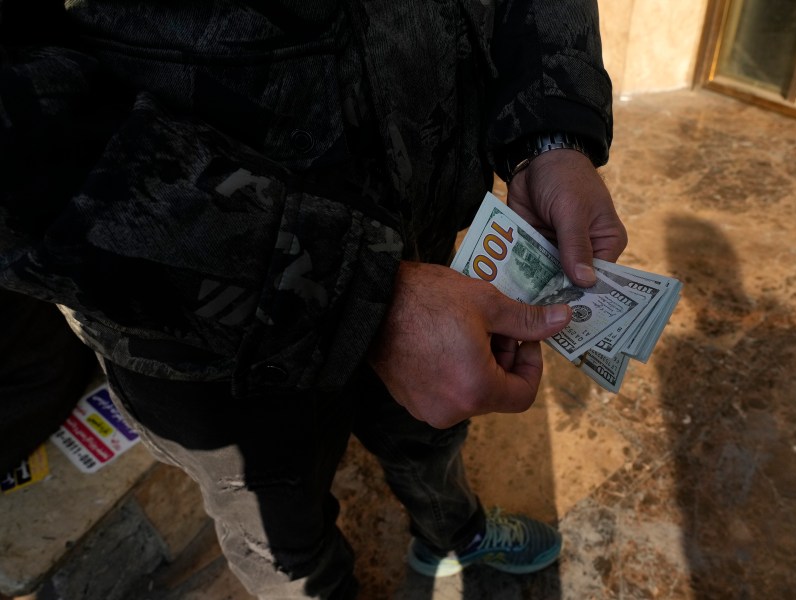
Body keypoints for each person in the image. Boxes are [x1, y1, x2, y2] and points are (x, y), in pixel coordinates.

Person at [0, 0, 627, 598]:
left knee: (430, 440)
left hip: (424, 232)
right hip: (201, 329)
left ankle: (453, 533)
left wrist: (552, 127)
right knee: (280, 534)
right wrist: (363, 298)